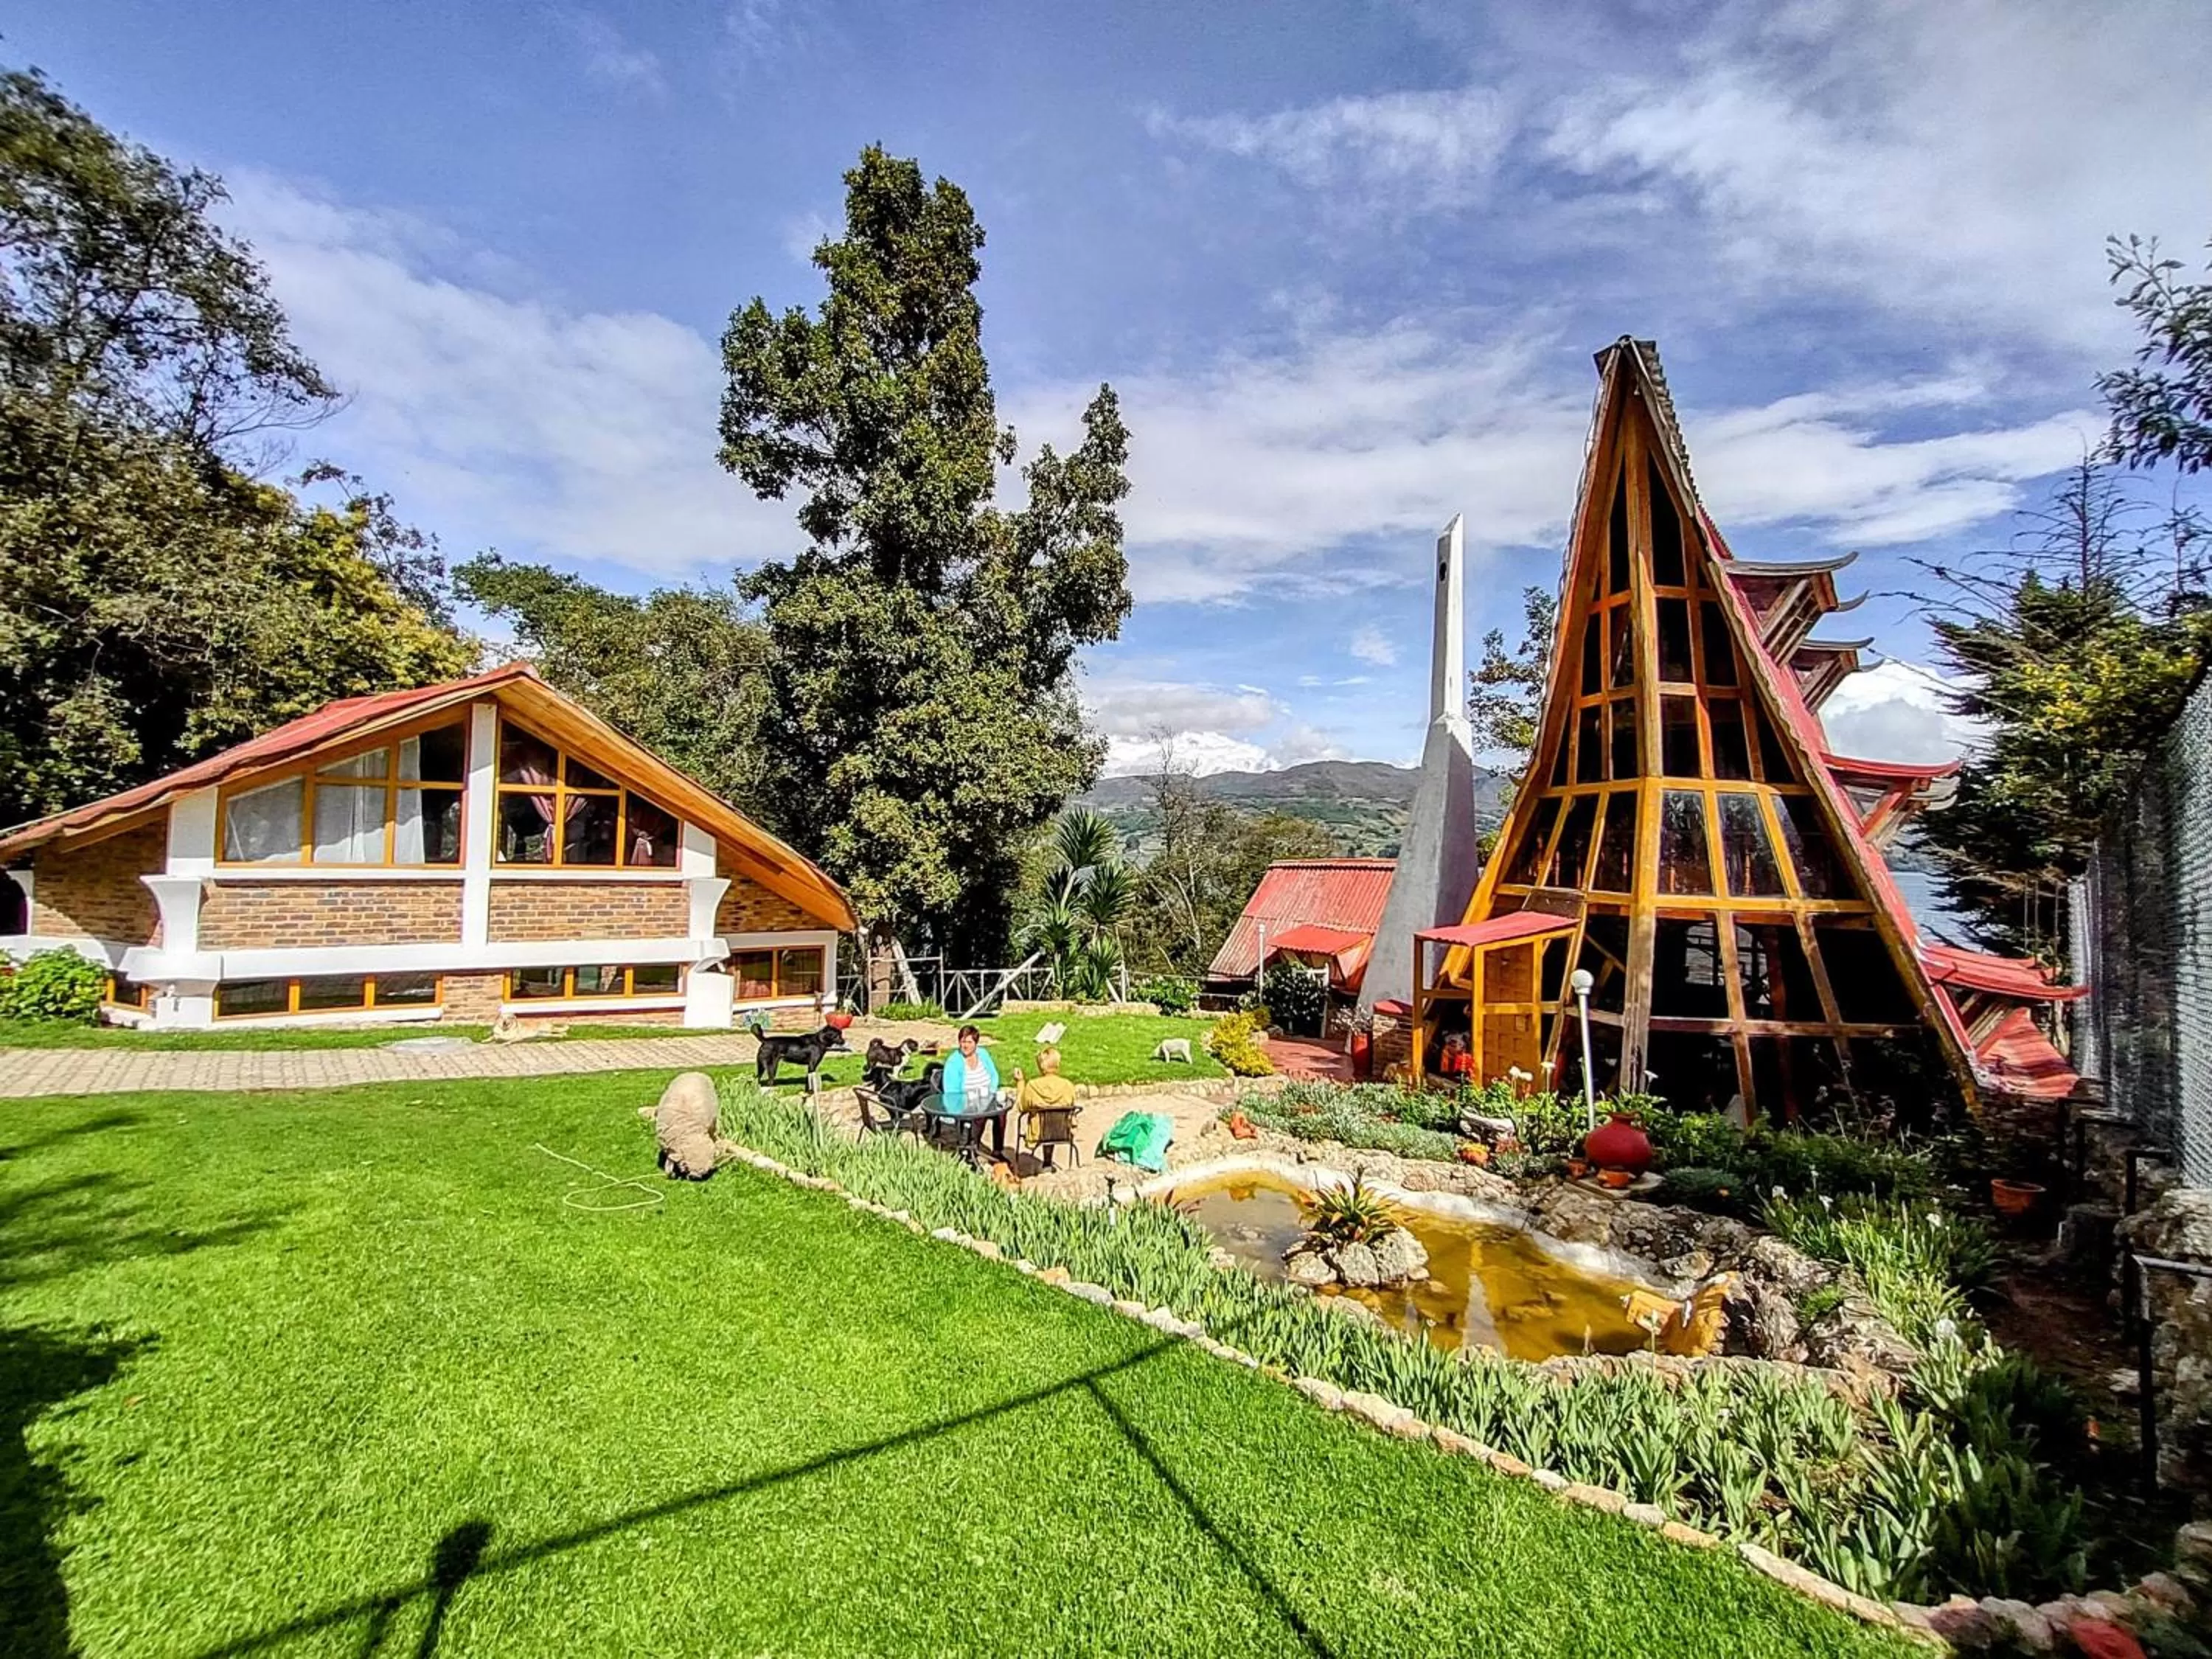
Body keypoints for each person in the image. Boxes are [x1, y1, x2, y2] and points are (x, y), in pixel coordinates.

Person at [936, 1024, 1009, 1158]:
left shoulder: (983, 1054)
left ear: (976, 1043)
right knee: (979, 1113)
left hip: (986, 1096)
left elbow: (994, 1075)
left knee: (1001, 1113)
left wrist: (991, 1092)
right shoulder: (954, 1062)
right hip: (965, 1102)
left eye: (969, 1042)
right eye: (963, 1042)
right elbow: (951, 1092)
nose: (966, 1046)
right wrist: (970, 1100)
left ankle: (998, 1151)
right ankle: (971, 1150)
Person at [1012, 1046, 1080, 1169]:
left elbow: (1022, 1107)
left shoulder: (1033, 1086)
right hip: (1061, 1130)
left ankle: (1043, 1163)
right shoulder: (1068, 1086)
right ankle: (1048, 1162)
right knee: (1053, 1121)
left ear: (1041, 1065)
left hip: (1038, 1133)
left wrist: (1020, 1082)